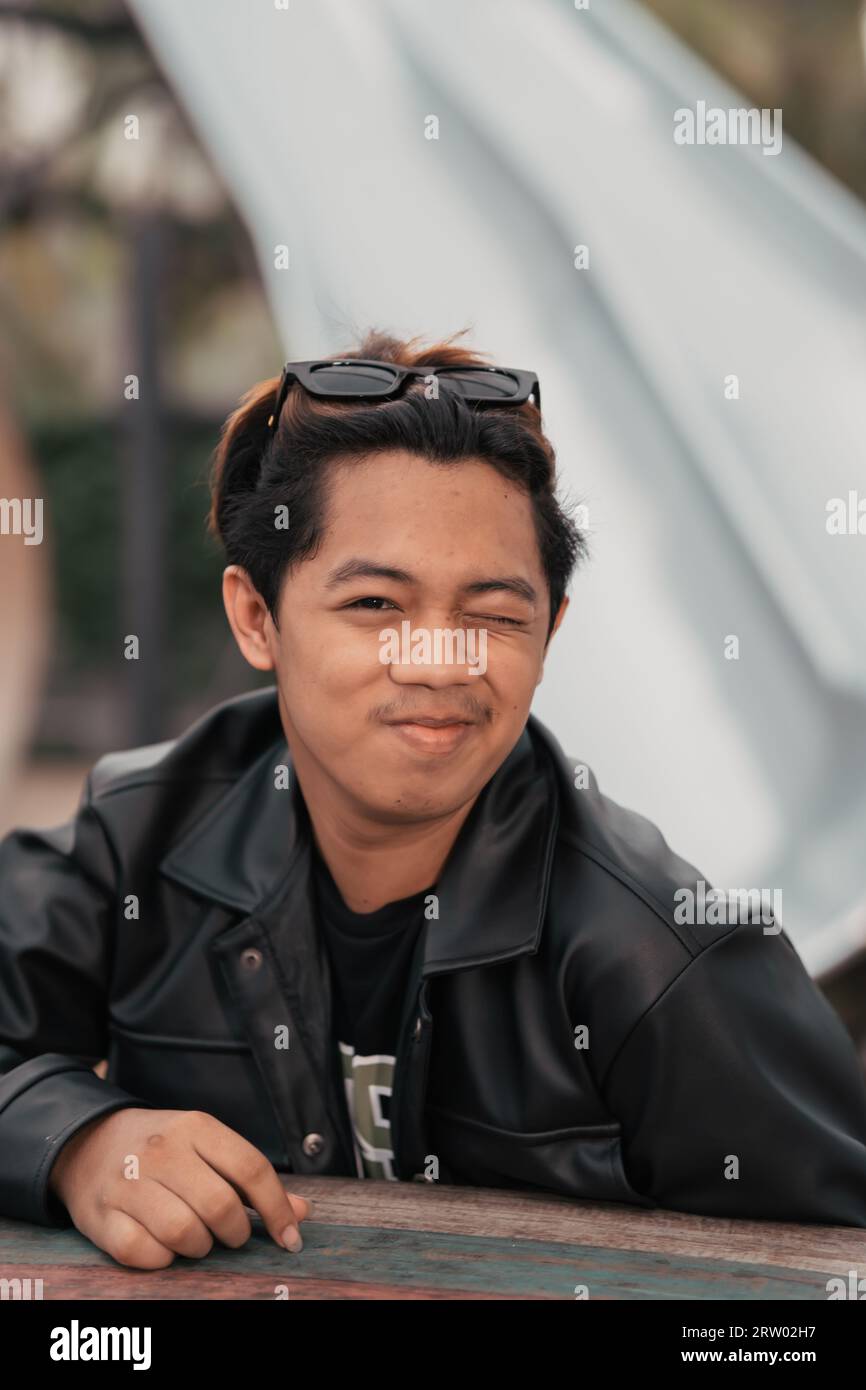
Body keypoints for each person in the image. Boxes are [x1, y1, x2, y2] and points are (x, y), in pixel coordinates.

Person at [2, 329, 865, 1274]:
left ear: (551, 631)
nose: (438, 661)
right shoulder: (140, 838)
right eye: (376, 605)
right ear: (258, 616)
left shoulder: (661, 959)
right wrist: (77, 1144)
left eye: (495, 616)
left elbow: (830, 1269)